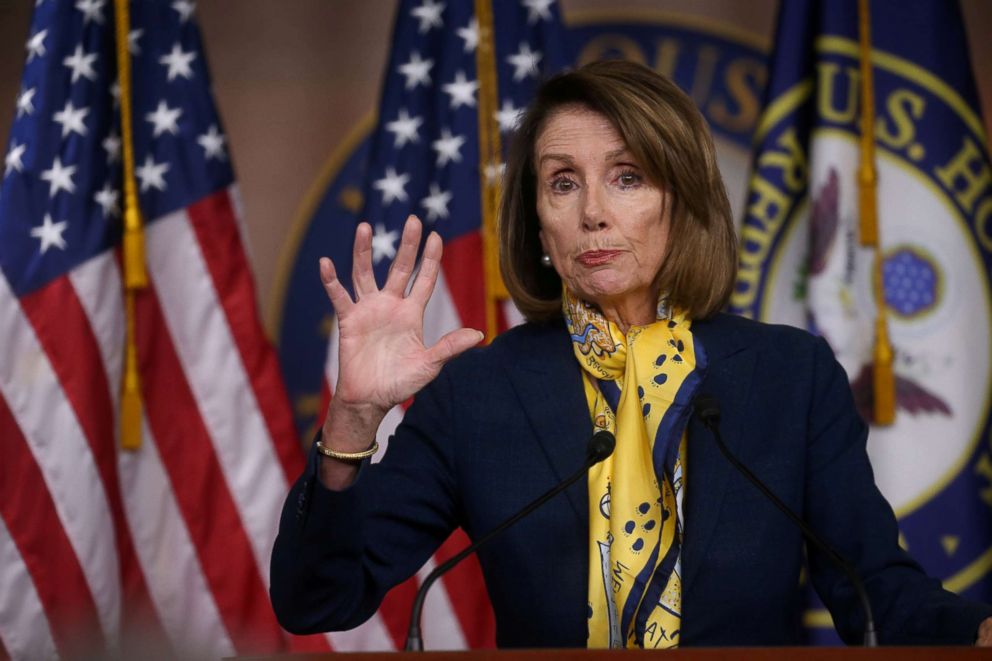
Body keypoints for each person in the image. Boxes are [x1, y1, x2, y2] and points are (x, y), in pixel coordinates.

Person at [270, 59, 992, 648]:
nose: (592, 213)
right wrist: (354, 421)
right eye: (562, 183)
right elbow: (317, 598)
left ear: (680, 199)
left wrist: (976, 631)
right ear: (539, 226)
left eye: (627, 177)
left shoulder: (790, 378)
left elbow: (880, 593)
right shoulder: (480, 393)